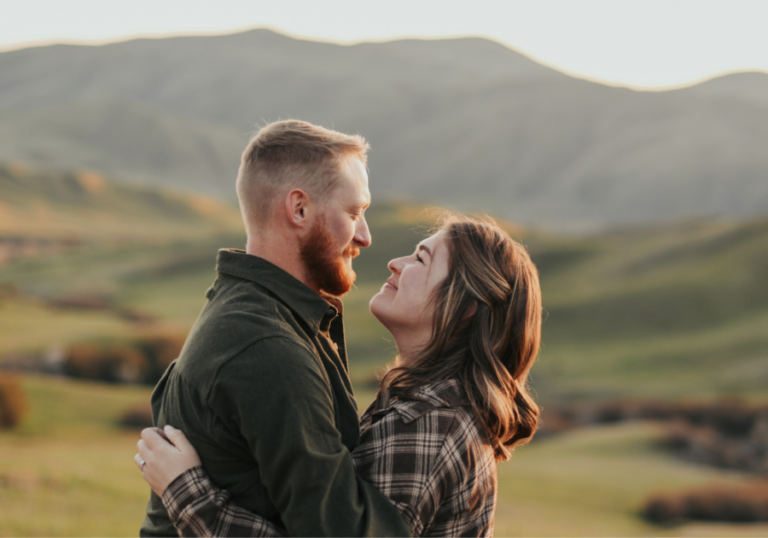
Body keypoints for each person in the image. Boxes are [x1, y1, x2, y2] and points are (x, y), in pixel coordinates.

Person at [136, 216, 543, 537]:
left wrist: (186, 493)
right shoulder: (430, 409)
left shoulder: (429, 424)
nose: (395, 262)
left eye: (421, 259)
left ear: (467, 306)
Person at [137, 119, 411, 537]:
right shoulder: (268, 346)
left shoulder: (252, 313)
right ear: (299, 209)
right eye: (354, 212)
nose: (365, 236)